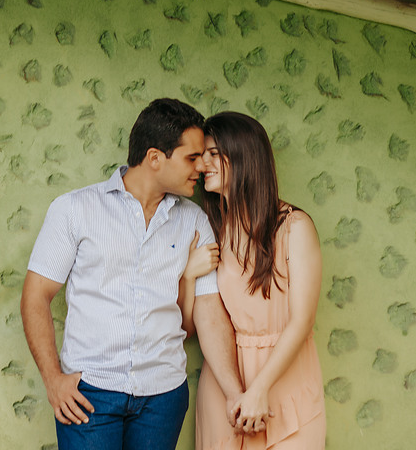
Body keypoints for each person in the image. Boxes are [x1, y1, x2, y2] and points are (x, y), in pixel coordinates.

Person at [21, 98, 249, 450]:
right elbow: (36, 296)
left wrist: (236, 393)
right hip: (89, 396)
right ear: (155, 158)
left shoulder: (195, 222)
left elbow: (200, 319)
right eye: (192, 157)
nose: (202, 167)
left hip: (162, 398)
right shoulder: (74, 210)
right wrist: (53, 380)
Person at [192, 111, 326, 449]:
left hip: (284, 376)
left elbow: (302, 320)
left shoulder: (294, 227)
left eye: (214, 154)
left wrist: (260, 389)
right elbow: (205, 315)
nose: (202, 164)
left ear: (244, 157)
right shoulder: (214, 231)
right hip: (225, 381)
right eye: (200, 155)